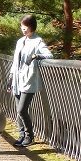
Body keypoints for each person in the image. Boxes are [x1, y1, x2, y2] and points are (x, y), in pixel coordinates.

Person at [9, 15, 53, 147]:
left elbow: (49, 55)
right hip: (17, 78)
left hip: (29, 79)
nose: (23, 28)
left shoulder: (37, 41)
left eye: (25, 26)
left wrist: (36, 56)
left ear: (31, 27)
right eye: (21, 26)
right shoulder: (20, 41)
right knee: (18, 109)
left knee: (22, 109)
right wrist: (10, 77)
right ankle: (22, 135)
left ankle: (30, 136)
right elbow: (15, 61)